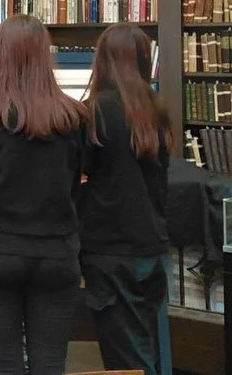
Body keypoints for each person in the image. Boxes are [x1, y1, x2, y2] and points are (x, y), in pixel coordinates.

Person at [0, 15, 89, 375]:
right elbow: (75, 184)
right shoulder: (73, 116)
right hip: (56, 250)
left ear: (0, 54)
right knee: (50, 364)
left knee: (3, 363)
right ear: (45, 57)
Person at [79, 23, 173, 375]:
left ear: (103, 61)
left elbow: (81, 173)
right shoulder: (156, 109)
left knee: (123, 360)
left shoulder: (94, 112)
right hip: (152, 246)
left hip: (109, 250)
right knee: (150, 347)